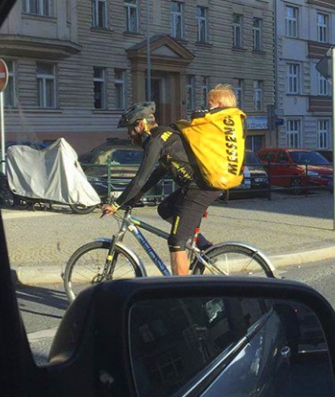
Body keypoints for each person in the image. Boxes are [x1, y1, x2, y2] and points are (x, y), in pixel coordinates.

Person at [101, 84, 241, 275]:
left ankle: (181, 295)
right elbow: (160, 170)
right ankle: (204, 247)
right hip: (197, 186)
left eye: (130, 128)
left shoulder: (155, 140)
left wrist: (116, 204)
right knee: (165, 208)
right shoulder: (164, 135)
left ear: (140, 124)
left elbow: (140, 177)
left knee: (175, 243)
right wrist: (138, 195)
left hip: (198, 188)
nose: (128, 133)